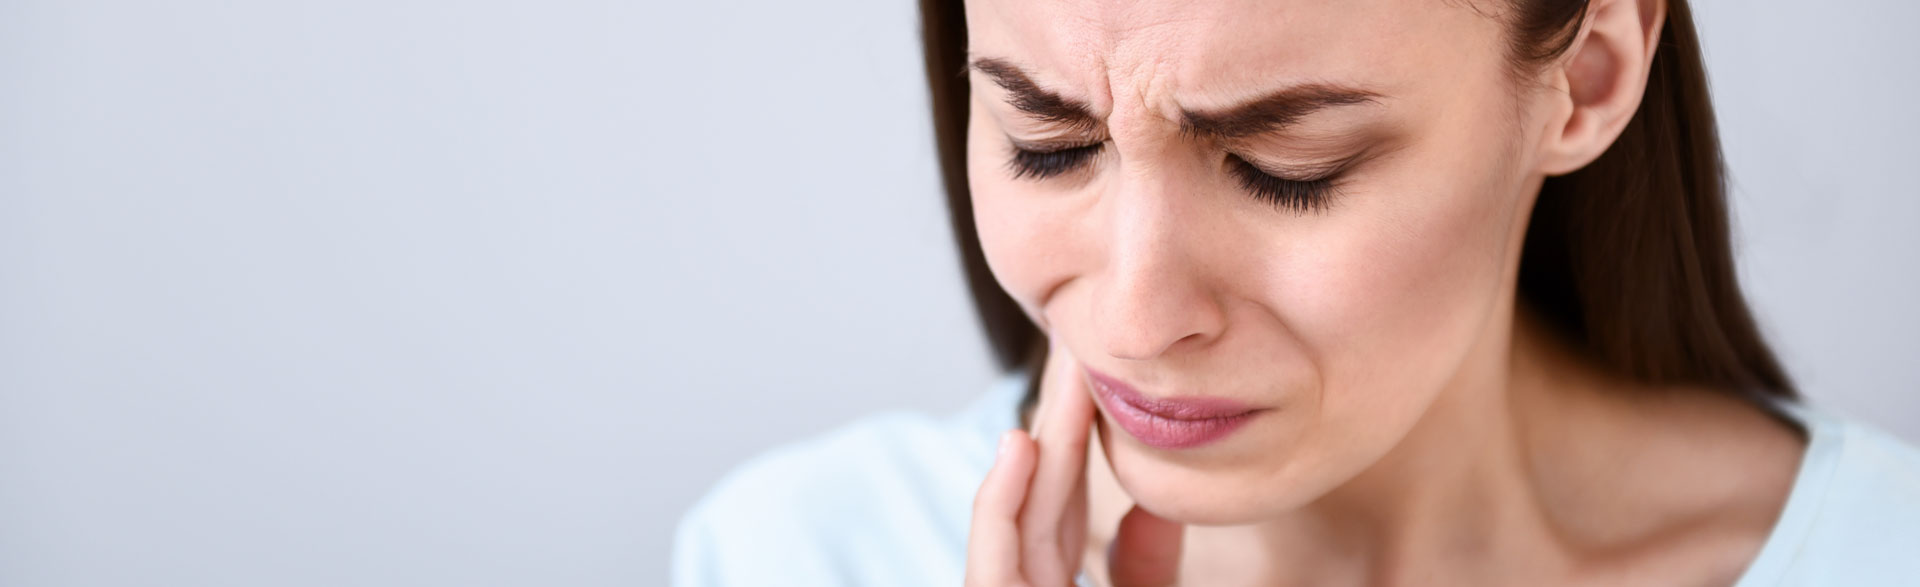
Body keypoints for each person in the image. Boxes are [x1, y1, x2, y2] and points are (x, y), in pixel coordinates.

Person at [672, 0, 1920, 584]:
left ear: (1585, 78)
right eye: (1048, 143)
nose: (1137, 313)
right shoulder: (801, 552)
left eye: (1284, 169)